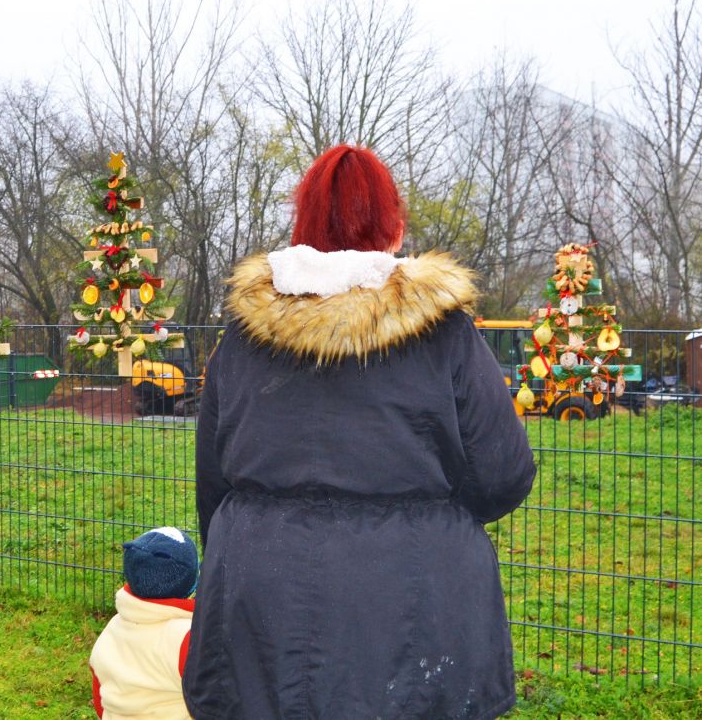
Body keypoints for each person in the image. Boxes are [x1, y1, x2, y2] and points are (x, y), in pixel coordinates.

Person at [182, 145, 536, 719]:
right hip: (418, 604)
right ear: (392, 226)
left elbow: (213, 481)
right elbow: (502, 475)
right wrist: (427, 516)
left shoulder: (243, 338)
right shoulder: (444, 333)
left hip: (261, 599)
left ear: (304, 225)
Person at [90, 527, 199, 719]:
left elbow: (101, 699)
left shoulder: (112, 629)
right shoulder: (188, 638)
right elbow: (213, 699)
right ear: (191, 581)